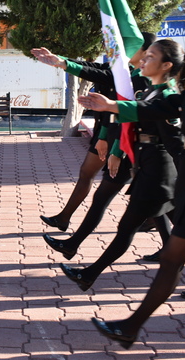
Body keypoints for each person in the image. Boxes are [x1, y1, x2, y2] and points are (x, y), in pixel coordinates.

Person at [80, 23, 185, 354]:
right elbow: (160, 109)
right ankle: (130, 328)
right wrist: (111, 106)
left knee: (170, 260)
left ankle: (129, 328)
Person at [58, 39, 185, 297]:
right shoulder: (150, 93)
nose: (143, 60)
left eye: (150, 57)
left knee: (128, 229)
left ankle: (90, 274)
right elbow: (132, 115)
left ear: (166, 65)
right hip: (150, 169)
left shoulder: (167, 95)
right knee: (181, 227)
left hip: (160, 174)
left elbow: (176, 145)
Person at [35, 35, 153, 233]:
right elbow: (92, 69)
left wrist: (110, 143)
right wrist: (60, 61)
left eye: (129, 46)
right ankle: (65, 219)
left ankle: (164, 230)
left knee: (144, 190)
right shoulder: (122, 71)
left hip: (121, 137)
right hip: (108, 131)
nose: (120, 50)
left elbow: (127, 114)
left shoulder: (138, 78)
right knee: (93, 178)